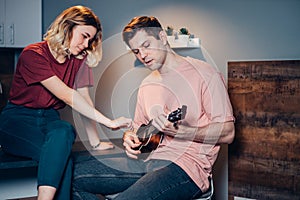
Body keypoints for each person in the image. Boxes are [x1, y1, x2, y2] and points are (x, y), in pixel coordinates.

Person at [72, 16, 235, 200]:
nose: (142, 55)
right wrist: (129, 138)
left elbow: (228, 133)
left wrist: (182, 132)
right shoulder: (147, 84)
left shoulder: (206, 74)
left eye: (147, 45)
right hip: (148, 163)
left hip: (186, 169)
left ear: (162, 37)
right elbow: (138, 129)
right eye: (136, 51)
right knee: (73, 177)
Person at [0, 6, 132, 200]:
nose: (87, 44)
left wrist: (95, 142)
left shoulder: (79, 60)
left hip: (50, 120)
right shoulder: (33, 54)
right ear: (67, 26)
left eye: (91, 40)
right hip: (17, 121)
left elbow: (84, 98)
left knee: (64, 130)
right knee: (63, 159)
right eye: (84, 36)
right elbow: (66, 95)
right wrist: (109, 122)